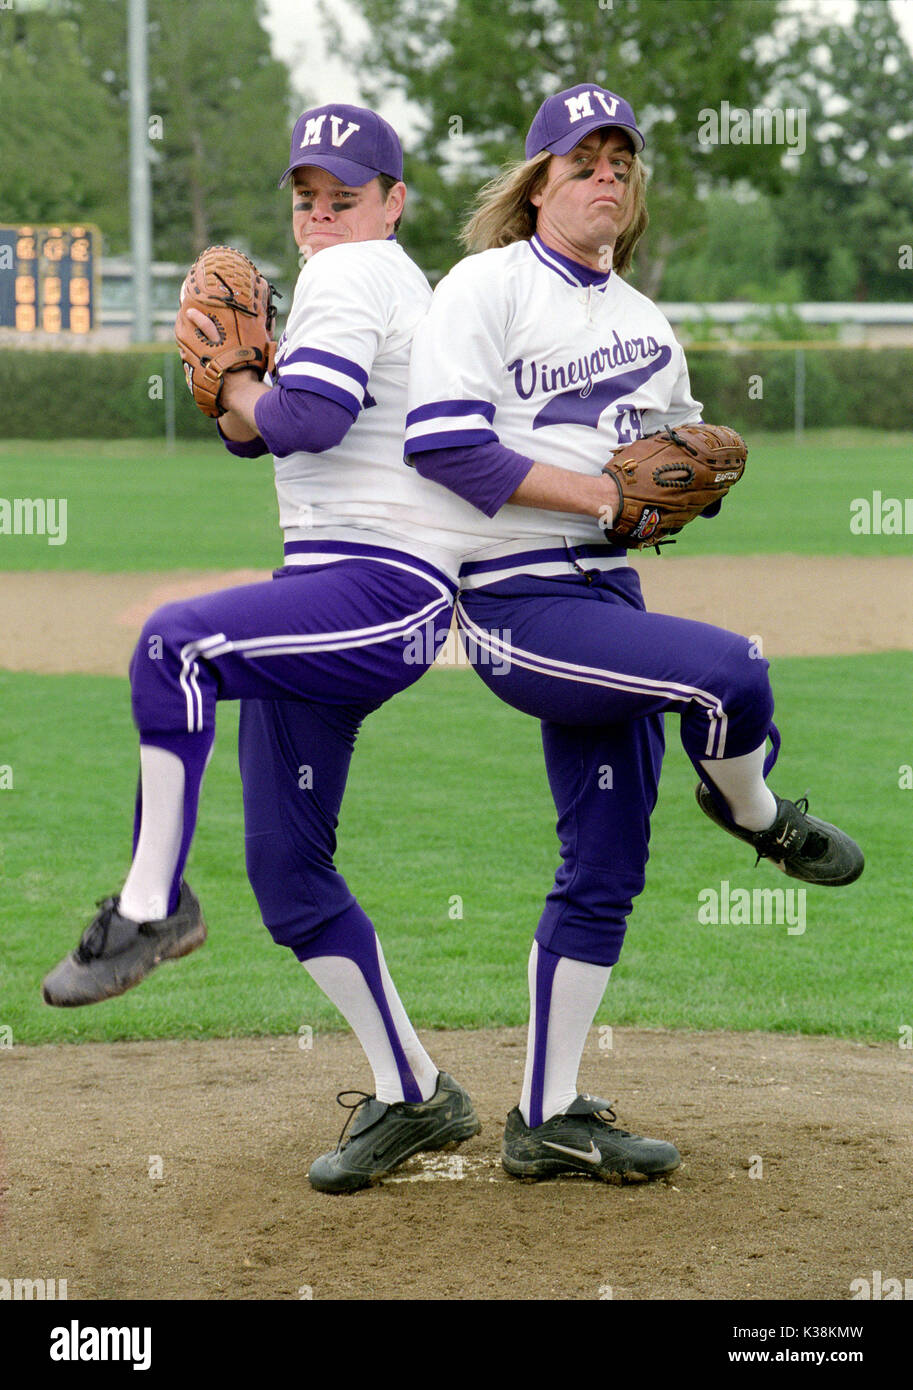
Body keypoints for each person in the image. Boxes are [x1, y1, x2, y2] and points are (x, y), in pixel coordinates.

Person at [404, 83, 863, 1183]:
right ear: (537, 183)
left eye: (620, 157)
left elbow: (654, 494)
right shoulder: (486, 285)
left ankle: (546, 1115)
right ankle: (751, 808)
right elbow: (443, 448)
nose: (605, 172)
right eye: (580, 158)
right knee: (729, 673)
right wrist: (608, 500)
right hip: (515, 601)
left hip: (607, 602)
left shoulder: (646, 324)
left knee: (604, 864)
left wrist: (683, 495)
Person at [42, 104, 482, 1194]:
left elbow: (309, 417)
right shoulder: (387, 285)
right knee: (291, 877)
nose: (321, 216)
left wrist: (239, 379)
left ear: (393, 202)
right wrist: (248, 389)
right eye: (307, 199)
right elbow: (270, 427)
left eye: (344, 196)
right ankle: (416, 1093)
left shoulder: (355, 274)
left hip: (379, 584)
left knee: (171, 648)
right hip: (331, 591)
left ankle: (151, 906)